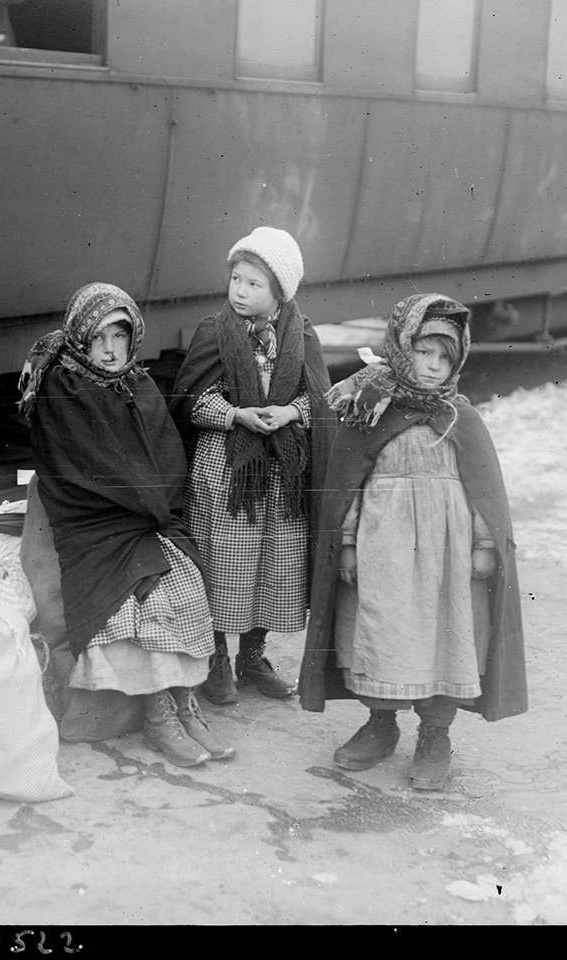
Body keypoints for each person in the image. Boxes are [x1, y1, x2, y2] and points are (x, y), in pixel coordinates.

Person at [298, 294, 527, 790]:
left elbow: (484, 493)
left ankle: (435, 734)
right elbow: (349, 486)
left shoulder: (459, 416)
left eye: (444, 358)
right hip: (385, 551)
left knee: (445, 634)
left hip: (448, 556)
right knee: (382, 631)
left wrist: (485, 545)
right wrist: (349, 543)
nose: (433, 367)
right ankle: (381, 724)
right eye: (424, 352)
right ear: (403, 350)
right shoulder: (372, 408)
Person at [21, 283, 235, 767]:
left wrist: (158, 511)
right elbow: (82, 470)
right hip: (95, 525)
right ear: (81, 338)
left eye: (120, 335)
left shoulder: (139, 382)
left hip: (145, 518)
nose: (111, 348)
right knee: (145, 597)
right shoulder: (63, 386)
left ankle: (185, 705)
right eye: (100, 337)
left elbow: (166, 457)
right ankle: (159, 714)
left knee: (186, 581)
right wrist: (145, 505)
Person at [170, 227, 332, 703]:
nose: (239, 291)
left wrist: (291, 412)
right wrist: (234, 414)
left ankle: (252, 655)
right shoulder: (212, 332)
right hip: (225, 474)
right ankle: (216, 657)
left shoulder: (300, 336)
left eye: (253, 284)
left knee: (272, 566)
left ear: (279, 291)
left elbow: (318, 398)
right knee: (224, 564)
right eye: (236, 279)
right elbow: (191, 401)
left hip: (282, 474)